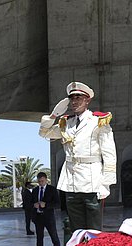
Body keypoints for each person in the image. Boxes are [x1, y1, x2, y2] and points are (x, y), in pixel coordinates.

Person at [39, 82, 117, 232]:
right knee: (76, 228)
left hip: (92, 181)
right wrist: (53, 115)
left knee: (93, 228)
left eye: (78, 98)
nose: (74, 102)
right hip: (71, 181)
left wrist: (106, 184)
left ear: (87, 100)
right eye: (72, 99)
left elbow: (109, 154)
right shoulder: (65, 123)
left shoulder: (98, 121)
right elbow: (44, 133)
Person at [32, 172, 61, 246]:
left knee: (54, 237)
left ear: (46, 180)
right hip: (38, 217)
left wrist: (46, 205)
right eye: (39, 181)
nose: (41, 183)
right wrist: (34, 205)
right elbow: (30, 203)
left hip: (49, 217)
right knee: (39, 238)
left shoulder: (52, 189)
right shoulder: (35, 190)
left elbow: (57, 204)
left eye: (42, 181)